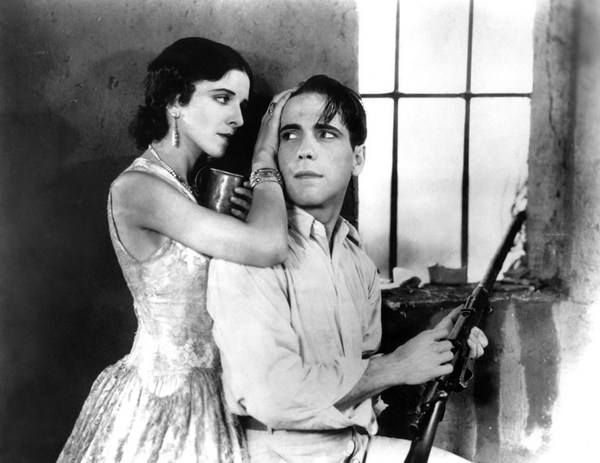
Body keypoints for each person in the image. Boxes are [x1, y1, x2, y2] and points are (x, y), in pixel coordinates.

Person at [207, 75, 489, 462]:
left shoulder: (355, 259)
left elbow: (362, 370)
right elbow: (272, 395)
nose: (304, 150)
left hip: (353, 447)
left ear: (358, 159)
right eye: (289, 135)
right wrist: (398, 366)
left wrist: (437, 346)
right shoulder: (249, 252)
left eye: (325, 134)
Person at [58, 37, 294, 463]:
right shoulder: (138, 188)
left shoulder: (190, 190)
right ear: (175, 101)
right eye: (222, 98)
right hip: (161, 398)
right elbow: (270, 246)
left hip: (217, 394)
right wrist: (264, 158)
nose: (239, 118)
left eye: (242, 104)